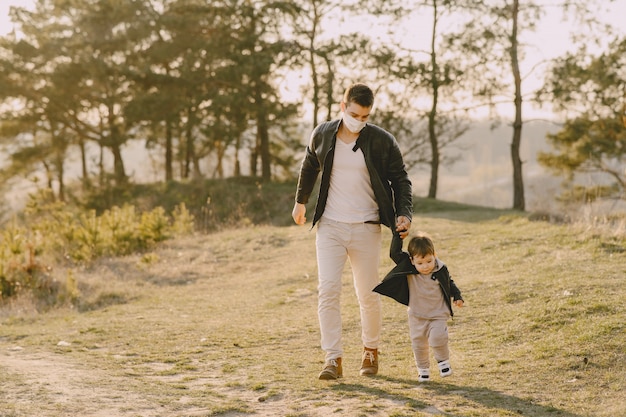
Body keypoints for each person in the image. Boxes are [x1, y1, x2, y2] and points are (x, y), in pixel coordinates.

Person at [292, 83, 413, 380]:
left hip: (366, 227)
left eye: (366, 116)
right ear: (342, 105)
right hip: (330, 226)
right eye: (355, 113)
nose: (359, 120)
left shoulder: (382, 141)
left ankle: (370, 351)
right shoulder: (322, 133)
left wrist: (403, 213)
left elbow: (401, 180)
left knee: (368, 293)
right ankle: (332, 358)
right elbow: (309, 166)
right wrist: (300, 202)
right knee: (328, 290)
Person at [374, 231, 464, 382]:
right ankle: (423, 370)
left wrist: (457, 296)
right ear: (412, 260)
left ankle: (443, 362)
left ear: (434, 254)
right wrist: (398, 236)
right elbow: (394, 253)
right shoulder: (409, 269)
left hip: (438, 313)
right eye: (420, 263)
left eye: (429, 261)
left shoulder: (441, 268)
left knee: (437, 337)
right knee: (419, 343)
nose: (425, 266)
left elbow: (449, 282)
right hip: (417, 314)